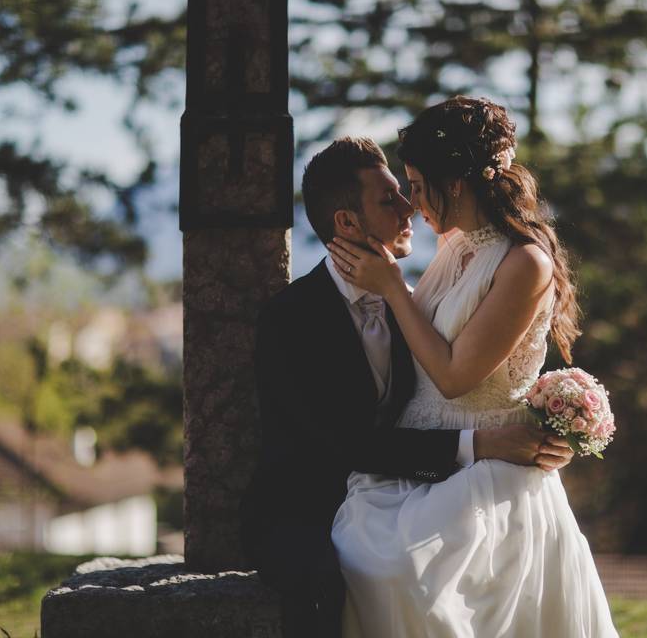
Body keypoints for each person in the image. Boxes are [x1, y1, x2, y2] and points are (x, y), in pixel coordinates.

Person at [239, 136, 576, 638]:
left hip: (403, 487)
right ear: (347, 223)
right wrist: (481, 444)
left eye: (407, 191)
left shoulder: (415, 302)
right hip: (309, 503)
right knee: (351, 575)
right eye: (389, 199)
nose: (409, 208)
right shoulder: (291, 320)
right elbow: (344, 444)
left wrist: (548, 416)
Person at [327, 97, 619, 637]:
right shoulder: (454, 243)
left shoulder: (524, 262)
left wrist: (391, 286)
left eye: (416, 184)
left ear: (455, 183)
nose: (411, 203)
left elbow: (456, 375)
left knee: (407, 580)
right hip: (417, 460)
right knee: (365, 561)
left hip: (484, 473)